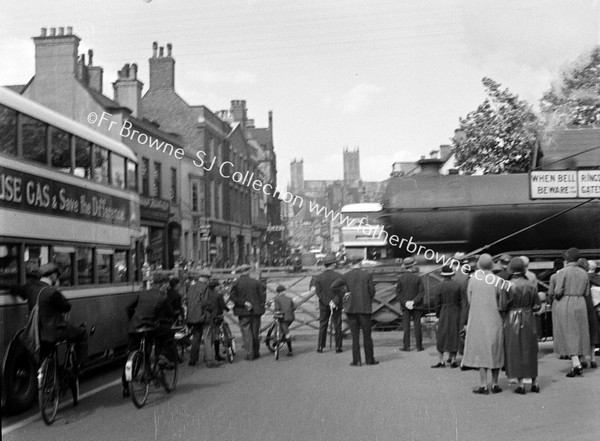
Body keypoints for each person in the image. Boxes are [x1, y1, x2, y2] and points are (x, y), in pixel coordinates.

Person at [16, 263, 88, 371]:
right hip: (55, 332)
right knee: (82, 333)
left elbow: (17, 289)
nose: (57, 277)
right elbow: (67, 307)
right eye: (56, 275)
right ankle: (79, 367)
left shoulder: (30, 288)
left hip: (37, 333)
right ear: (52, 276)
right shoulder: (52, 292)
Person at [122, 277, 173, 397]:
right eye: (166, 285)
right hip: (149, 328)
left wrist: (133, 320)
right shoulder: (162, 298)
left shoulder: (142, 293)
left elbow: (128, 307)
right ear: (163, 285)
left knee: (130, 354)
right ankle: (161, 356)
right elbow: (170, 313)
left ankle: (125, 387)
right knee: (166, 334)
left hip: (134, 327)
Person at [462, 254, 504, 394]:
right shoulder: (498, 280)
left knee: (481, 351)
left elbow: (469, 299)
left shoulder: (473, 280)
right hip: (494, 318)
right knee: (495, 349)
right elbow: (502, 302)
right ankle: (495, 384)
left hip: (478, 319)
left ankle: (483, 385)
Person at [498, 257, 541, 394]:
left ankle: (521, 384)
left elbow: (502, 306)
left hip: (512, 318)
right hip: (528, 317)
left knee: (515, 350)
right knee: (530, 349)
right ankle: (534, 382)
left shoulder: (507, 284)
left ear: (511, 268)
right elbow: (537, 305)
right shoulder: (531, 285)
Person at [331, 256, 378, 366]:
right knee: (367, 335)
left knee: (355, 336)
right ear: (360, 263)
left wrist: (344, 294)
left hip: (351, 308)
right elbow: (372, 291)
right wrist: (367, 298)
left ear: (351, 264)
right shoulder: (366, 275)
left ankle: (356, 360)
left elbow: (333, 286)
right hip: (364, 308)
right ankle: (370, 359)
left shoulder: (346, 275)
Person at [552, 248, 590, 377]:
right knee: (580, 332)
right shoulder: (584, 273)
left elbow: (557, 291)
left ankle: (576, 363)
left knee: (568, 332)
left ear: (566, 259)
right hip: (581, 302)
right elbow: (587, 292)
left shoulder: (563, 272)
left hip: (567, 301)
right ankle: (580, 359)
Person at [230, 264, 266, 360]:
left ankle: (250, 354)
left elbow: (232, 297)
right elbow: (262, 298)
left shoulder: (236, 283)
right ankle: (256, 352)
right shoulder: (256, 282)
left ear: (240, 272)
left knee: (246, 332)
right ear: (248, 271)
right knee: (255, 332)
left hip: (243, 311)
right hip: (256, 311)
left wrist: (243, 303)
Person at [310, 254, 344, 353]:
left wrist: (328, 302)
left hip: (324, 304)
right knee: (337, 325)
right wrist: (334, 301)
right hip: (336, 304)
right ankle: (338, 347)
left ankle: (320, 346)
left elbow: (319, 292)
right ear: (333, 264)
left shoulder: (319, 278)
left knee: (323, 324)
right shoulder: (339, 276)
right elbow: (342, 290)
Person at [431, 265, 462, 368]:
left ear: (443, 275)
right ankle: (453, 360)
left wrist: (437, 315)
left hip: (444, 312)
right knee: (454, 335)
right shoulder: (458, 285)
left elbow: (437, 303)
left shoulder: (439, 286)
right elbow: (461, 301)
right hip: (455, 311)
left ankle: (441, 361)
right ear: (451, 274)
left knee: (442, 336)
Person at [396, 256, 425, 352]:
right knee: (417, 325)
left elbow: (398, 293)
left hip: (405, 306)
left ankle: (406, 346)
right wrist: (413, 301)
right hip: (417, 305)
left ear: (405, 267)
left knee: (406, 326)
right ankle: (419, 346)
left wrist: (406, 302)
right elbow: (421, 292)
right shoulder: (418, 278)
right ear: (413, 266)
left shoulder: (400, 278)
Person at [186, 269, 213, 367]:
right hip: (204, 315)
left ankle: (193, 359)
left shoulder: (191, 288)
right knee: (207, 337)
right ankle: (209, 360)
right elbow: (206, 302)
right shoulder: (205, 288)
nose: (208, 280)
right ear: (204, 278)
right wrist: (210, 309)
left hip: (193, 316)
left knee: (196, 338)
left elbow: (187, 301)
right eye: (207, 278)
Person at [577, 259, 599, 369]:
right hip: (590, 304)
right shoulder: (595, 277)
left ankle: (583, 359)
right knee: (592, 329)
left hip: (580, 303)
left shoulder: (579, 277)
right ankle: (593, 358)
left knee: (581, 331)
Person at [207, 278, 229, 362]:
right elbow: (222, 305)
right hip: (217, 316)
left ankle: (207, 354)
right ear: (216, 286)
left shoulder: (207, 294)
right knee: (216, 335)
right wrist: (228, 309)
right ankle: (216, 355)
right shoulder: (218, 295)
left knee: (208, 335)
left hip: (208, 316)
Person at [273, 284, 295, 356]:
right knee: (285, 328)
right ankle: (282, 338)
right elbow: (294, 307)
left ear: (278, 292)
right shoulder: (289, 299)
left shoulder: (277, 299)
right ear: (284, 291)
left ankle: (290, 350)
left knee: (286, 332)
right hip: (291, 317)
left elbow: (277, 309)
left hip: (283, 318)